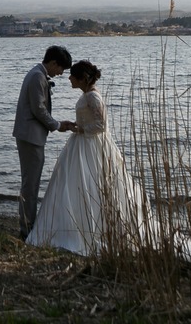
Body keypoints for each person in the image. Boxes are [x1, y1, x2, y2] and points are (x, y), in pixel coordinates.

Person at [26, 60, 158, 255]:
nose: (69, 78)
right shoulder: (87, 95)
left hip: (90, 144)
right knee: (74, 182)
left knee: (90, 182)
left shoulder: (93, 96)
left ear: (82, 78)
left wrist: (81, 129)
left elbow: (101, 125)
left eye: (72, 76)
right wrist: (76, 127)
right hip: (81, 143)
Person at [13, 44, 74, 240]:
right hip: (31, 137)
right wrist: (57, 125)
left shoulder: (37, 74)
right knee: (30, 184)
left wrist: (57, 124)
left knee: (31, 182)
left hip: (31, 136)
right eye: (61, 69)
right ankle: (27, 229)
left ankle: (27, 225)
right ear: (54, 63)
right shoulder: (37, 77)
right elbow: (38, 109)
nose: (61, 73)